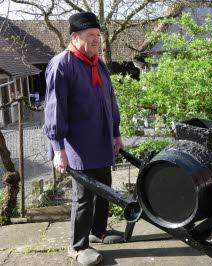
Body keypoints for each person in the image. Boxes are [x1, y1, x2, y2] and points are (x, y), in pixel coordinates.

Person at [44, 12, 124, 266]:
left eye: (98, 36)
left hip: (102, 141)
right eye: (90, 35)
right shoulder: (62, 65)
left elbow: (109, 100)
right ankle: (77, 246)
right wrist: (58, 149)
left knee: (105, 189)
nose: (96, 40)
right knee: (84, 197)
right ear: (74, 36)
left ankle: (99, 231)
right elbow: (55, 109)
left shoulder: (97, 64)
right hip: (77, 145)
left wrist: (116, 132)